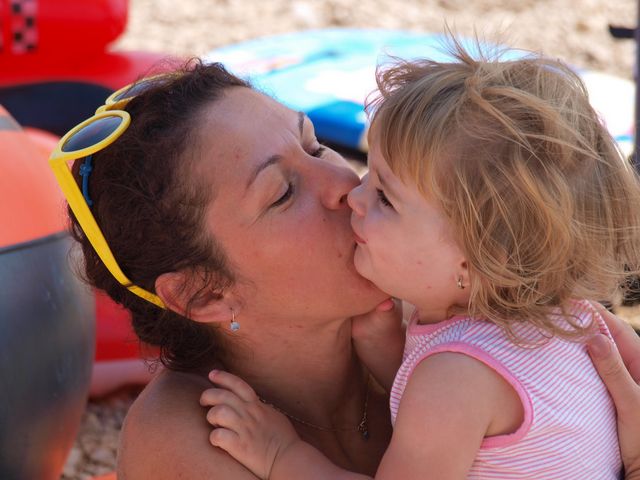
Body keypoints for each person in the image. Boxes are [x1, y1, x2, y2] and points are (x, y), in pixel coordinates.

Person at [50, 58, 640, 480]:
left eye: (313, 145)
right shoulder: (190, 441)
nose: (342, 183)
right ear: (205, 294)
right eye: (283, 193)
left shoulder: (455, 310)